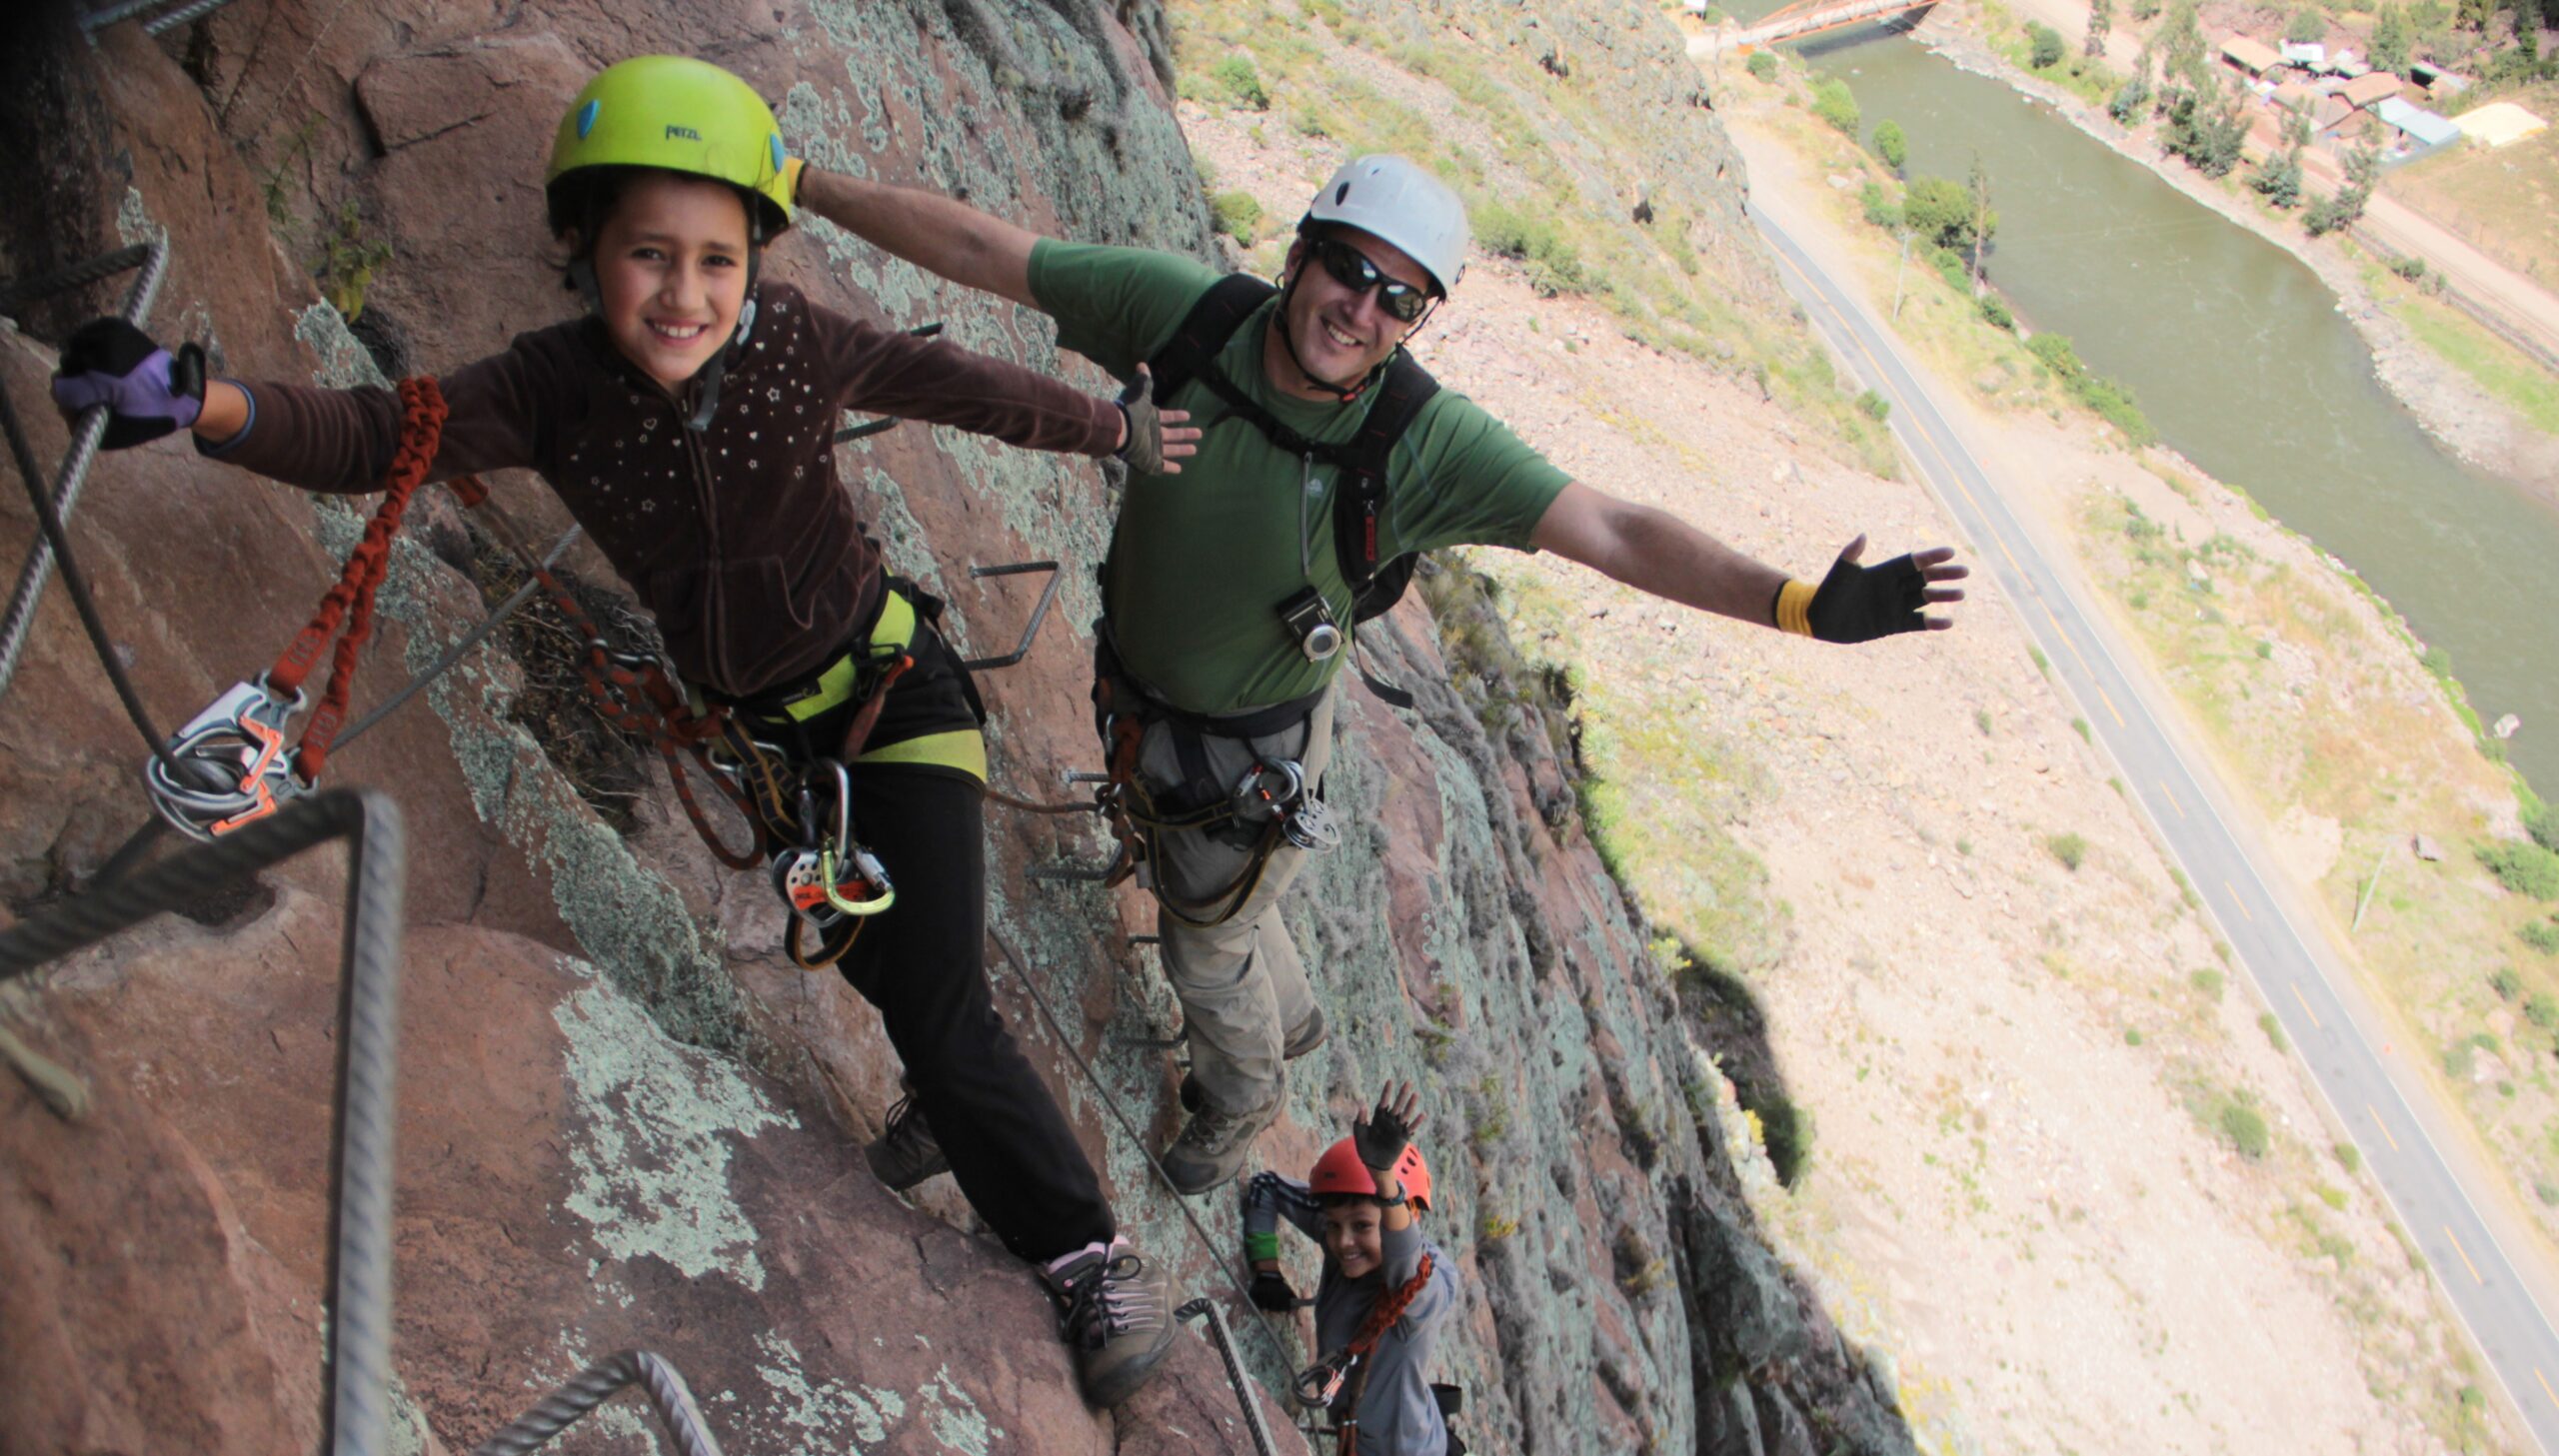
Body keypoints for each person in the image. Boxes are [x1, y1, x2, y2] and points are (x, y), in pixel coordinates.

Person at [49, 55, 1201, 1409]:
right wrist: (204, 410)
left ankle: (1092, 1261)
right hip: (776, 762)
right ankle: (954, 1112)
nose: (684, 292)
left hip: (899, 705)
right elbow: (378, 435)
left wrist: (1109, 426)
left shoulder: (795, 345)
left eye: (717, 260)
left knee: (938, 1003)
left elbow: (944, 381)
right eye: (648, 253)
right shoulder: (551, 388)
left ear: (755, 264)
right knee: (894, 976)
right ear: (584, 248)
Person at [795, 152, 1967, 1194]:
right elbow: (982, 251)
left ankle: (1242, 1092)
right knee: (1219, 902)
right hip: (1148, 702)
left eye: (1397, 296)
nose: (1358, 307)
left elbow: (1610, 527)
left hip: (1240, 747)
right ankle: (1291, 1012)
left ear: (1418, 321)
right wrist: (794, 181)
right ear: (1300, 252)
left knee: (1204, 944)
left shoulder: (1420, 444)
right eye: (1346, 268)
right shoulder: (1188, 318)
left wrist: (1798, 606)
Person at [1243, 1083, 1460, 1456]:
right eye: (1334, 1225)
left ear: (1406, 1215)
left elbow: (1408, 1267)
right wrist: (1267, 1272)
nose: (1343, 1242)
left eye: (1361, 1226)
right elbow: (1266, 1188)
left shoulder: (1428, 1288)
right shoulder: (1343, 1235)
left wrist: (1385, 1181)